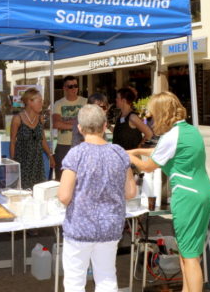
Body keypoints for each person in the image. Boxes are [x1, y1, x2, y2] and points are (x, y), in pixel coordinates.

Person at [128, 92, 210, 292]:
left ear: (162, 112)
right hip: (202, 191)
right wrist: (137, 151)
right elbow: (162, 151)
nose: (151, 119)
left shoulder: (171, 136)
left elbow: (148, 166)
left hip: (187, 196)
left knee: (190, 257)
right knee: (188, 252)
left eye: (153, 114)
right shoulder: (189, 130)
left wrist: (129, 157)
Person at [58, 104, 136, 292]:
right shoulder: (118, 152)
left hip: (79, 227)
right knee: (107, 277)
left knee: (75, 281)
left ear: (79, 128)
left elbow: (64, 196)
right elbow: (131, 192)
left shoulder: (76, 154)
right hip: (110, 227)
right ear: (104, 126)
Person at [10, 88, 55, 189]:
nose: (41, 104)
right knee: (23, 191)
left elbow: (42, 139)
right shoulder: (18, 119)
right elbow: (12, 141)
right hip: (22, 162)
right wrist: (13, 162)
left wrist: (50, 155)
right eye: (39, 101)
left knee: (39, 190)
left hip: (37, 162)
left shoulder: (40, 119)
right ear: (30, 102)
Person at [52, 75, 87, 180]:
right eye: (70, 86)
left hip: (81, 144)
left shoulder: (85, 101)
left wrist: (64, 121)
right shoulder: (58, 103)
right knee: (61, 177)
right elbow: (56, 124)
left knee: (81, 177)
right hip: (63, 145)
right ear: (65, 88)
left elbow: (86, 123)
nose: (74, 89)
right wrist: (77, 124)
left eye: (75, 86)